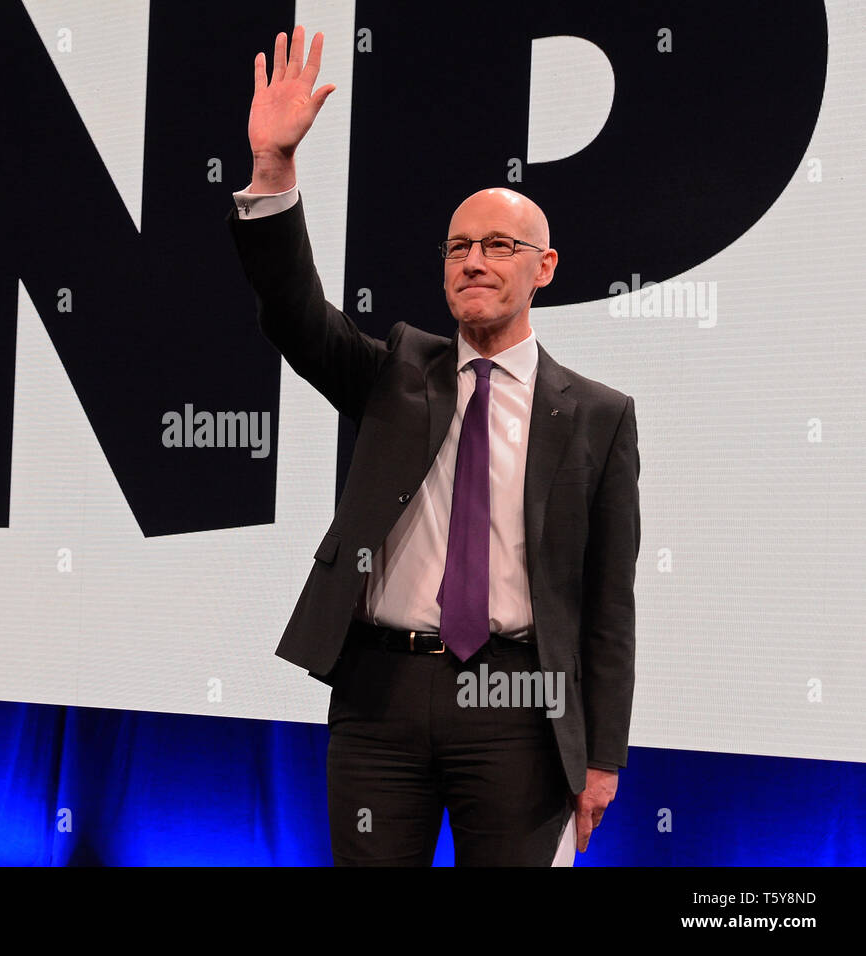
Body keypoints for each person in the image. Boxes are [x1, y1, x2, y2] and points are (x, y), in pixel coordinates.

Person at [227, 28, 640, 865]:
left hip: (520, 701)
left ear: (545, 268)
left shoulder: (598, 415)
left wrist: (603, 758)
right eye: (459, 247)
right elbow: (295, 313)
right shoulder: (397, 373)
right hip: (379, 695)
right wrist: (274, 170)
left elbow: (607, 607)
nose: (474, 261)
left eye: (499, 246)